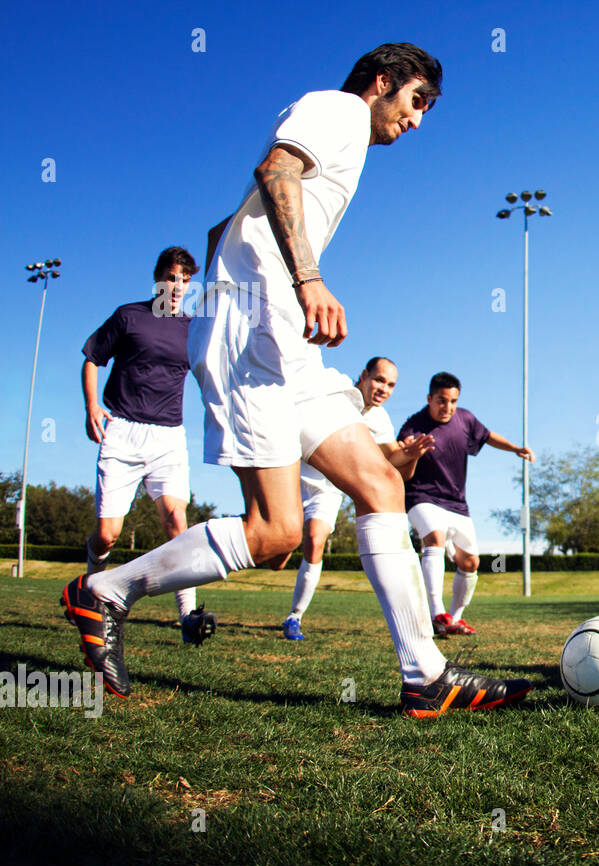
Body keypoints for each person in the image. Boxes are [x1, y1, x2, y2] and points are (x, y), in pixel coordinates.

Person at [61, 43, 531, 716]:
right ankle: (106, 591)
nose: (419, 120)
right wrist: (305, 279)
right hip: (251, 333)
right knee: (276, 530)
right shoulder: (337, 109)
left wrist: (267, 279)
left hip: (281, 336)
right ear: (381, 83)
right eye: (417, 100)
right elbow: (275, 168)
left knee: (381, 479)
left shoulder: (345, 139)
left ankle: (426, 676)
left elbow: (225, 224)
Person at [80, 246, 215, 643]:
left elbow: (211, 376)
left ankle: (188, 617)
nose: (177, 287)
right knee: (107, 535)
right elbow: (92, 357)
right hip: (121, 431)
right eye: (172, 277)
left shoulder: (193, 328)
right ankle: (89, 592)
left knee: (177, 522)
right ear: (158, 277)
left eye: (186, 281)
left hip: (169, 437)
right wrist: (92, 405)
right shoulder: (129, 316)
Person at [282, 356, 434, 640]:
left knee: (315, 540)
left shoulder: (379, 419)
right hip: (292, 475)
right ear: (363, 375)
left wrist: (412, 453)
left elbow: (391, 457)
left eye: (391, 385)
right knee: (275, 551)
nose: (384, 389)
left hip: (326, 488)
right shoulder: (335, 390)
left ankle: (294, 617)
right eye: (379, 380)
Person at [398, 372, 533, 635]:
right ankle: (436, 613)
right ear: (429, 398)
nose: (447, 407)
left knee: (470, 563)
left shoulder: (465, 419)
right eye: (441, 400)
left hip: (456, 503)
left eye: (453, 401)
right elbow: (401, 464)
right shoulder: (413, 426)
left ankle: (454, 619)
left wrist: (515, 448)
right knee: (434, 537)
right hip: (421, 497)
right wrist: (411, 452)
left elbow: (487, 435)